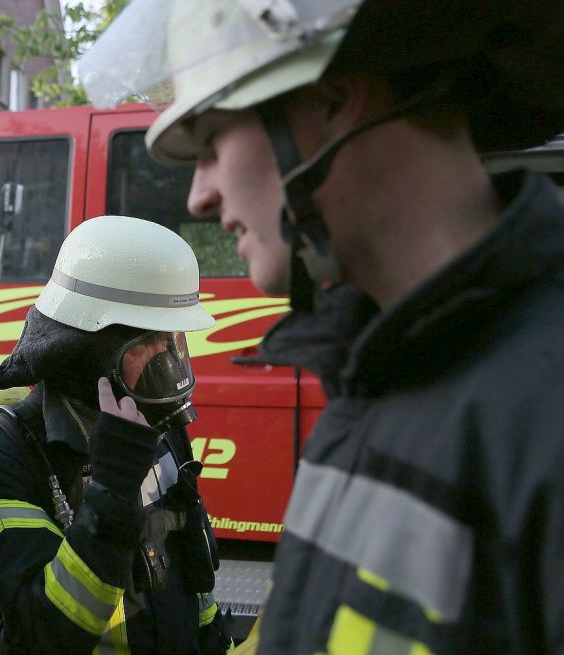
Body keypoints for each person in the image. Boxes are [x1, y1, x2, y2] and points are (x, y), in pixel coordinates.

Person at [78, 1, 564, 653]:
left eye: (213, 141)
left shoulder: (539, 409)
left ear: (334, 96)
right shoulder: (373, 380)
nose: (198, 196)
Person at [0, 215, 233, 654]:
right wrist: (112, 492)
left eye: (171, 341)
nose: (166, 360)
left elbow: (190, 568)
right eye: (147, 343)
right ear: (87, 353)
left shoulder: (157, 430)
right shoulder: (4, 459)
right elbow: (47, 633)